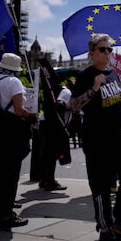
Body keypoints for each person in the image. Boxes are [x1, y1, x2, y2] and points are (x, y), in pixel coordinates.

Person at [70, 33, 121, 241]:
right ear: (92, 53)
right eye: (103, 49)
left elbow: (118, 101)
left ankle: (120, 221)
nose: (108, 52)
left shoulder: (113, 73)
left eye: (110, 49)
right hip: (96, 139)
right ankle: (105, 226)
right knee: (100, 186)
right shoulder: (85, 75)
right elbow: (74, 105)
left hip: (117, 138)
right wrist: (93, 89)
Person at [0, 53, 37, 228]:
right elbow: (19, 110)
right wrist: (31, 116)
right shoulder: (13, 82)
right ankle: (7, 214)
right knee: (10, 174)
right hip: (10, 134)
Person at [38, 59, 70, 191]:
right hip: (56, 125)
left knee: (46, 153)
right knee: (52, 154)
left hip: (45, 122)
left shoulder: (52, 89)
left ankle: (44, 179)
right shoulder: (65, 92)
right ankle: (50, 181)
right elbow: (60, 104)